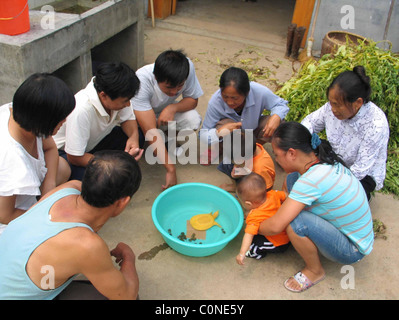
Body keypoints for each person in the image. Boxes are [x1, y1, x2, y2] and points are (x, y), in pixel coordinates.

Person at [0, 150, 142, 300]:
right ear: (122, 202)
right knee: (127, 290)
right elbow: (127, 296)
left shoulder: (68, 188)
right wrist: (128, 258)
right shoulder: (87, 245)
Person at [258, 122, 374, 293]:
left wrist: (252, 225)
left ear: (291, 153)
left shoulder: (311, 181)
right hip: (359, 232)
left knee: (296, 223)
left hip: (352, 249)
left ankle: (314, 271)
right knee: (292, 180)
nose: (276, 159)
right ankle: (295, 220)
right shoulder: (323, 160)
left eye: (276, 155)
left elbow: (275, 227)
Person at [0, 73, 75, 235]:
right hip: (8, 216)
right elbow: (5, 215)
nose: (65, 122)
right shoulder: (11, 159)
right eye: (61, 121)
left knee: (62, 167)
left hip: (23, 193)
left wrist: (49, 186)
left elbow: (51, 148)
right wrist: (48, 217)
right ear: (43, 122)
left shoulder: (22, 113)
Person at [301, 66, 390, 200]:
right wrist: (306, 138)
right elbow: (309, 122)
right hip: (336, 160)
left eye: (337, 104)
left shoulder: (375, 125)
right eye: (331, 103)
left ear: (358, 103)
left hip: (361, 175)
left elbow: (360, 170)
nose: (333, 109)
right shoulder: (330, 109)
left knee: (340, 199)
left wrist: (327, 182)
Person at [53, 62, 143, 181]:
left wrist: (134, 137)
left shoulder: (116, 95)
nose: (128, 105)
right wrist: (109, 165)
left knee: (140, 135)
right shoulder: (81, 110)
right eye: (124, 101)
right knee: (98, 180)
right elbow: (74, 157)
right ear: (103, 95)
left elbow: (128, 118)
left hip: (94, 143)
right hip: (66, 154)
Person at [131, 49, 203, 190]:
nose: (175, 92)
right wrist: (171, 169)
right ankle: (159, 144)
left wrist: (172, 108)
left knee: (193, 119)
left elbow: (193, 100)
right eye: (169, 87)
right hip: (139, 117)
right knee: (142, 137)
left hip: (164, 113)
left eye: (180, 86)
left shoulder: (186, 67)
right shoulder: (141, 81)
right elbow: (151, 131)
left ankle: (166, 142)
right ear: (156, 77)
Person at [200, 67, 289, 164]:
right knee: (224, 126)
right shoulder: (215, 102)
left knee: (280, 125)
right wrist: (218, 133)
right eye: (225, 96)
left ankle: (254, 148)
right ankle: (220, 147)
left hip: (254, 128)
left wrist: (276, 116)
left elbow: (281, 105)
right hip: (232, 134)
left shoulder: (259, 91)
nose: (229, 102)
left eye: (235, 98)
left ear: (246, 93)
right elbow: (203, 135)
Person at [235, 173, 290, 265]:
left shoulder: (254, 216)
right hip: (286, 230)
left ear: (248, 204)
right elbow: (287, 195)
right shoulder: (273, 194)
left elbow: (248, 235)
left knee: (255, 244)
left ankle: (256, 253)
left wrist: (241, 253)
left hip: (278, 243)